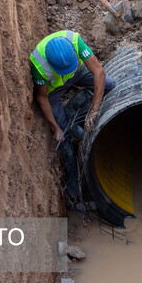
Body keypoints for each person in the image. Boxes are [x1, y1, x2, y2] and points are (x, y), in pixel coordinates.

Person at [30, 30, 115, 199]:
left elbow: (99, 72)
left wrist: (94, 109)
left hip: (77, 74)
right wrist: (55, 128)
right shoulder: (39, 64)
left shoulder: (74, 40)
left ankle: (72, 112)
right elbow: (42, 97)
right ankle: (73, 184)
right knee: (64, 138)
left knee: (109, 84)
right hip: (53, 90)